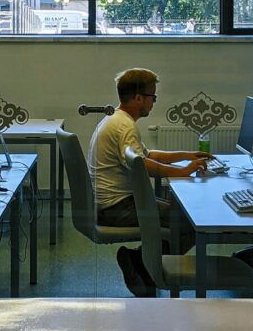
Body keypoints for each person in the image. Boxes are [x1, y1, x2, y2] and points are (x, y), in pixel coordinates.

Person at [88, 68, 211, 296]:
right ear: (138, 98)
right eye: (152, 97)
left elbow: (147, 155)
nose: (153, 102)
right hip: (116, 208)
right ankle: (145, 267)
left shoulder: (116, 119)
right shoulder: (125, 126)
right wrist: (182, 172)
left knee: (182, 218)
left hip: (114, 204)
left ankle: (139, 261)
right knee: (191, 224)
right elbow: (141, 165)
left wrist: (185, 156)